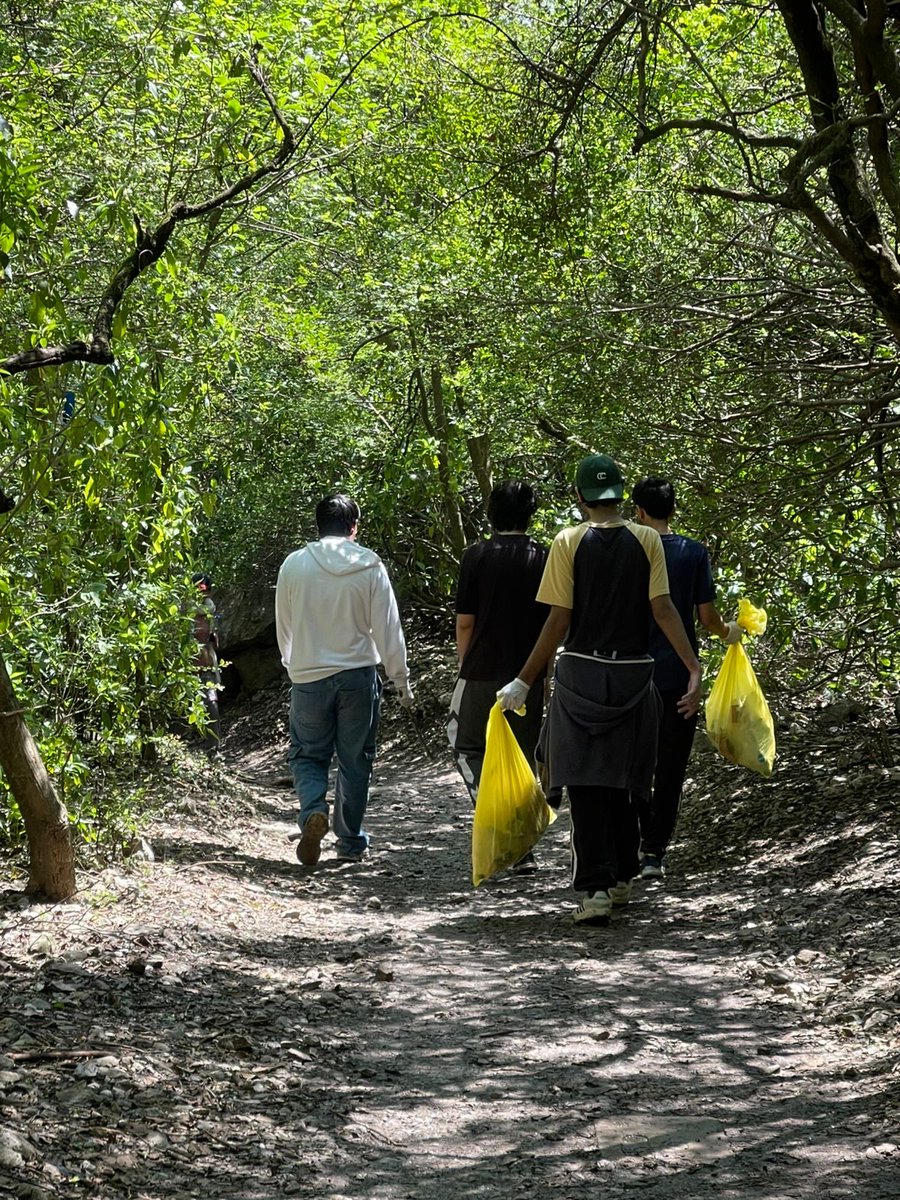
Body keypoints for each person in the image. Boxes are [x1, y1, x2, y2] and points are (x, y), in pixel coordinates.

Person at [497, 453, 702, 926]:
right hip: (635, 674)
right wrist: (692, 666)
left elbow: (558, 619)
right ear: (622, 497)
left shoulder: (568, 542)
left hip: (582, 676)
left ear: (579, 497)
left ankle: (595, 890)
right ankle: (625, 874)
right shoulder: (648, 538)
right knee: (629, 777)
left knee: (586, 781)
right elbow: (664, 609)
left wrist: (523, 680)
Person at [275, 494, 413, 867]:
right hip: (357, 677)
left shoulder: (294, 564)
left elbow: (284, 624)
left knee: (307, 753)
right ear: (354, 527)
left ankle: (313, 812)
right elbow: (388, 628)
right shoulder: (369, 565)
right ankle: (349, 841)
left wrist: (294, 664)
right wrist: (400, 680)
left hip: (308, 677)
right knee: (356, 760)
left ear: (318, 525)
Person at [631, 476, 741, 878]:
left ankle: (638, 839)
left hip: (632, 675)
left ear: (639, 511)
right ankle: (654, 853)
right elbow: (706, 618)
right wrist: (732, 633)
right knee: (671, 765)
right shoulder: (693, 552)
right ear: (672, 510)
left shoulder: (629, 550)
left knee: (636, 762)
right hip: (679, 673)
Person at [447, 481, 549, 870]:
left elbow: (465, 623)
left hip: (481, 670)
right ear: (530, 513)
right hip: (528, 674)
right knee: (521, 757)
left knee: (466, 744)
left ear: (492, 513)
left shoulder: (477, 556)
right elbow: (553, 622)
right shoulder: (544, 555)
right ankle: (524, 848)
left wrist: (463, 667)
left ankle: (494, 814)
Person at [192, 572, 222, 756]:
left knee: (212, 708)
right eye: (200, 589)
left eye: (206, 590)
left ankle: (213, 751)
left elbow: (213, 639)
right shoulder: (181, 611)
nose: (203, 594)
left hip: (207, 666)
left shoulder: (210, 608)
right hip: (185, 668)